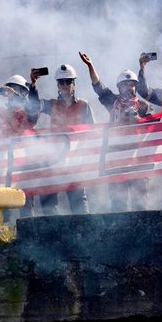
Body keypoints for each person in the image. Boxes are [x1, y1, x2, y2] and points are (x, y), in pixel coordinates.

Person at [81, 51, 155, 211]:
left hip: (138, 160)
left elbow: (152, 128)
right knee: (117, 203)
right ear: (119, 87)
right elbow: (98, 87)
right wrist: (90, 65)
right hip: (116, 158)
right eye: (125, 85)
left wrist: (138, 120)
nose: (129, 87)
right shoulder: (112, 101)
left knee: (140, 203)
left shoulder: (144, 106)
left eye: (132, 84)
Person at [30, 64, 94, 214]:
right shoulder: (51, 104)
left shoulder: (84, 105)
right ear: (57, 85)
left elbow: (93, 132)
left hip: (75, 160)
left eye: (68, 81)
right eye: (61, 82)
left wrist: (87, 158)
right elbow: (32, 106)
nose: (65, 85)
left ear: (74, 83)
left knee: (78, 200)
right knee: (48, 199)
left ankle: (83, 231)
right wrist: (33, 85)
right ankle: (54, 234)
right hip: (55, 159)